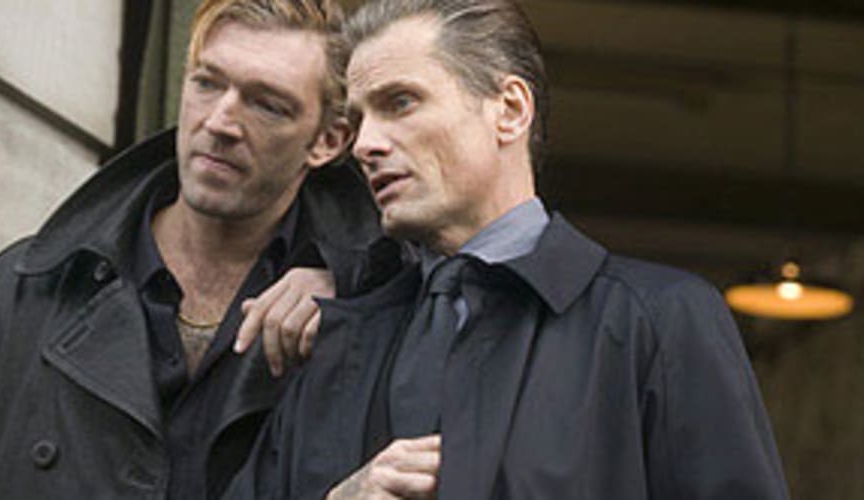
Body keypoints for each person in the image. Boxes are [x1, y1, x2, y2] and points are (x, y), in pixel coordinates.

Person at [227, 0, 790, 499]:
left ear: (511, 110)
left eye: (400, 102)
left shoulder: (658, 320)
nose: (366, 144)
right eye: (357, 121)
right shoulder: (332, 338)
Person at [0, 0, 396, 498]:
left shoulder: (363, 314)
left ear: (328, 141)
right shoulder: (27, 287)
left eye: (267, 105)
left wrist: (350, 281)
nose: (221, 122)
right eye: (207, 83)